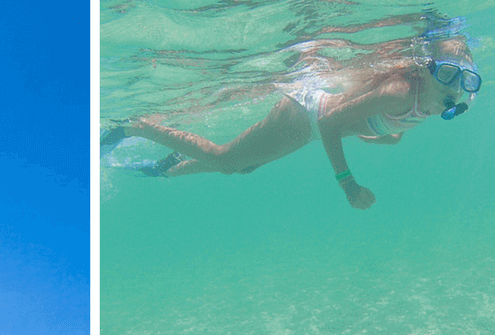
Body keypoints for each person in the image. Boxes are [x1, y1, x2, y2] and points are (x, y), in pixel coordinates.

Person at [101, 35, 481, 210]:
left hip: (309, 125)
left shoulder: (432, 103)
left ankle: (167, 168)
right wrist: (346, 183)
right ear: (426, 68)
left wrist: (384, 137)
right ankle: (138, 125)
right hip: (307, 114)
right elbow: (331, 122)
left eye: (466, 80)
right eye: (448, 73)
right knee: (225, 160)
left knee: (242, 166)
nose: (455, 87)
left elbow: (378, 127)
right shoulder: (401, 91)